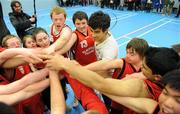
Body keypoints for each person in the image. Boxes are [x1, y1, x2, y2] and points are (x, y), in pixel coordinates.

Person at [43, 47, 179, 114]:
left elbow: (103, 85)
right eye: (166, 93)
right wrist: (77, 70)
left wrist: (68, 67)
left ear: (157, 78)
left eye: (144, 68)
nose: (167, 103)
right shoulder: (155, 103)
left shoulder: (143, 88)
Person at [105, 69, 180, 114]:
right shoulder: (154, 107)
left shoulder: (145, 86)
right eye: (165, 93)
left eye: (178, 100)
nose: (167, 103)